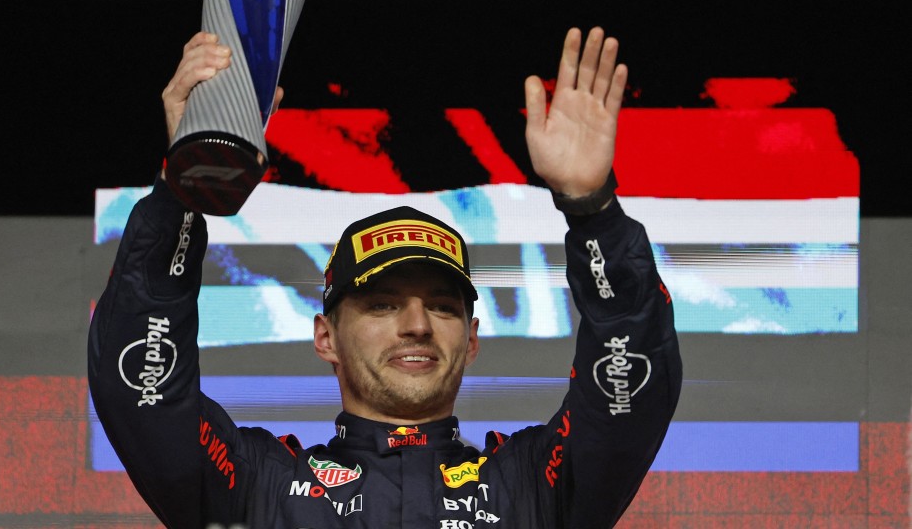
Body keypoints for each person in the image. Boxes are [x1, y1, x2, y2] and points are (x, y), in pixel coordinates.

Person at [88, 27, 682, 528]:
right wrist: (184, 190)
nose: (418, 324)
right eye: (381, 305)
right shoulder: (261, 489)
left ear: (472, 340)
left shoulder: (528, 488)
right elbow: (145, 392)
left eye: (444, 307)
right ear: (326, 337)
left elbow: (628, 387)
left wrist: (592, 212)